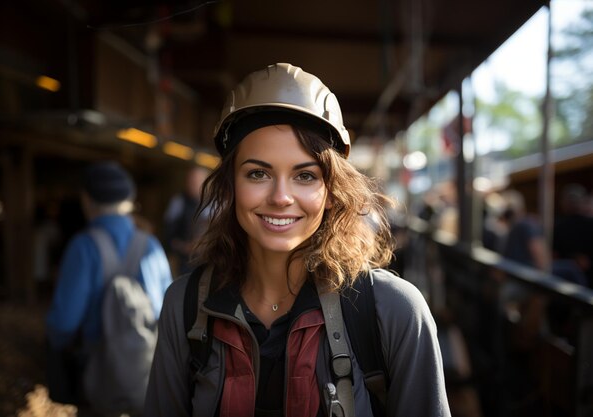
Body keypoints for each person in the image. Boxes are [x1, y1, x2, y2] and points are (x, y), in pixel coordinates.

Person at [145, 63, 450, 416]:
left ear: (332, 192)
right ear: (230, 186)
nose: (281, 197)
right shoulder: (184, 306)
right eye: (258, 173)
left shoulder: (394, 311)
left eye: (305, 175)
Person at [46, 160, 173, 414]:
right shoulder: (150, 245)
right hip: (146, 374)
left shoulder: (83, 247)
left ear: (87, 199)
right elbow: (170, 313)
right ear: (129, 200)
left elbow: (64, 323)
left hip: (98, 373)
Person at [162, 165, 210, 276]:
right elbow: (168, 234)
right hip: (182, 262)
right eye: (191, 180)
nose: (193, 184)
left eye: (197, 180)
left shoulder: (214, 204)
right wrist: (184, 247)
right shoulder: (178, 202)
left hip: (207, 262)